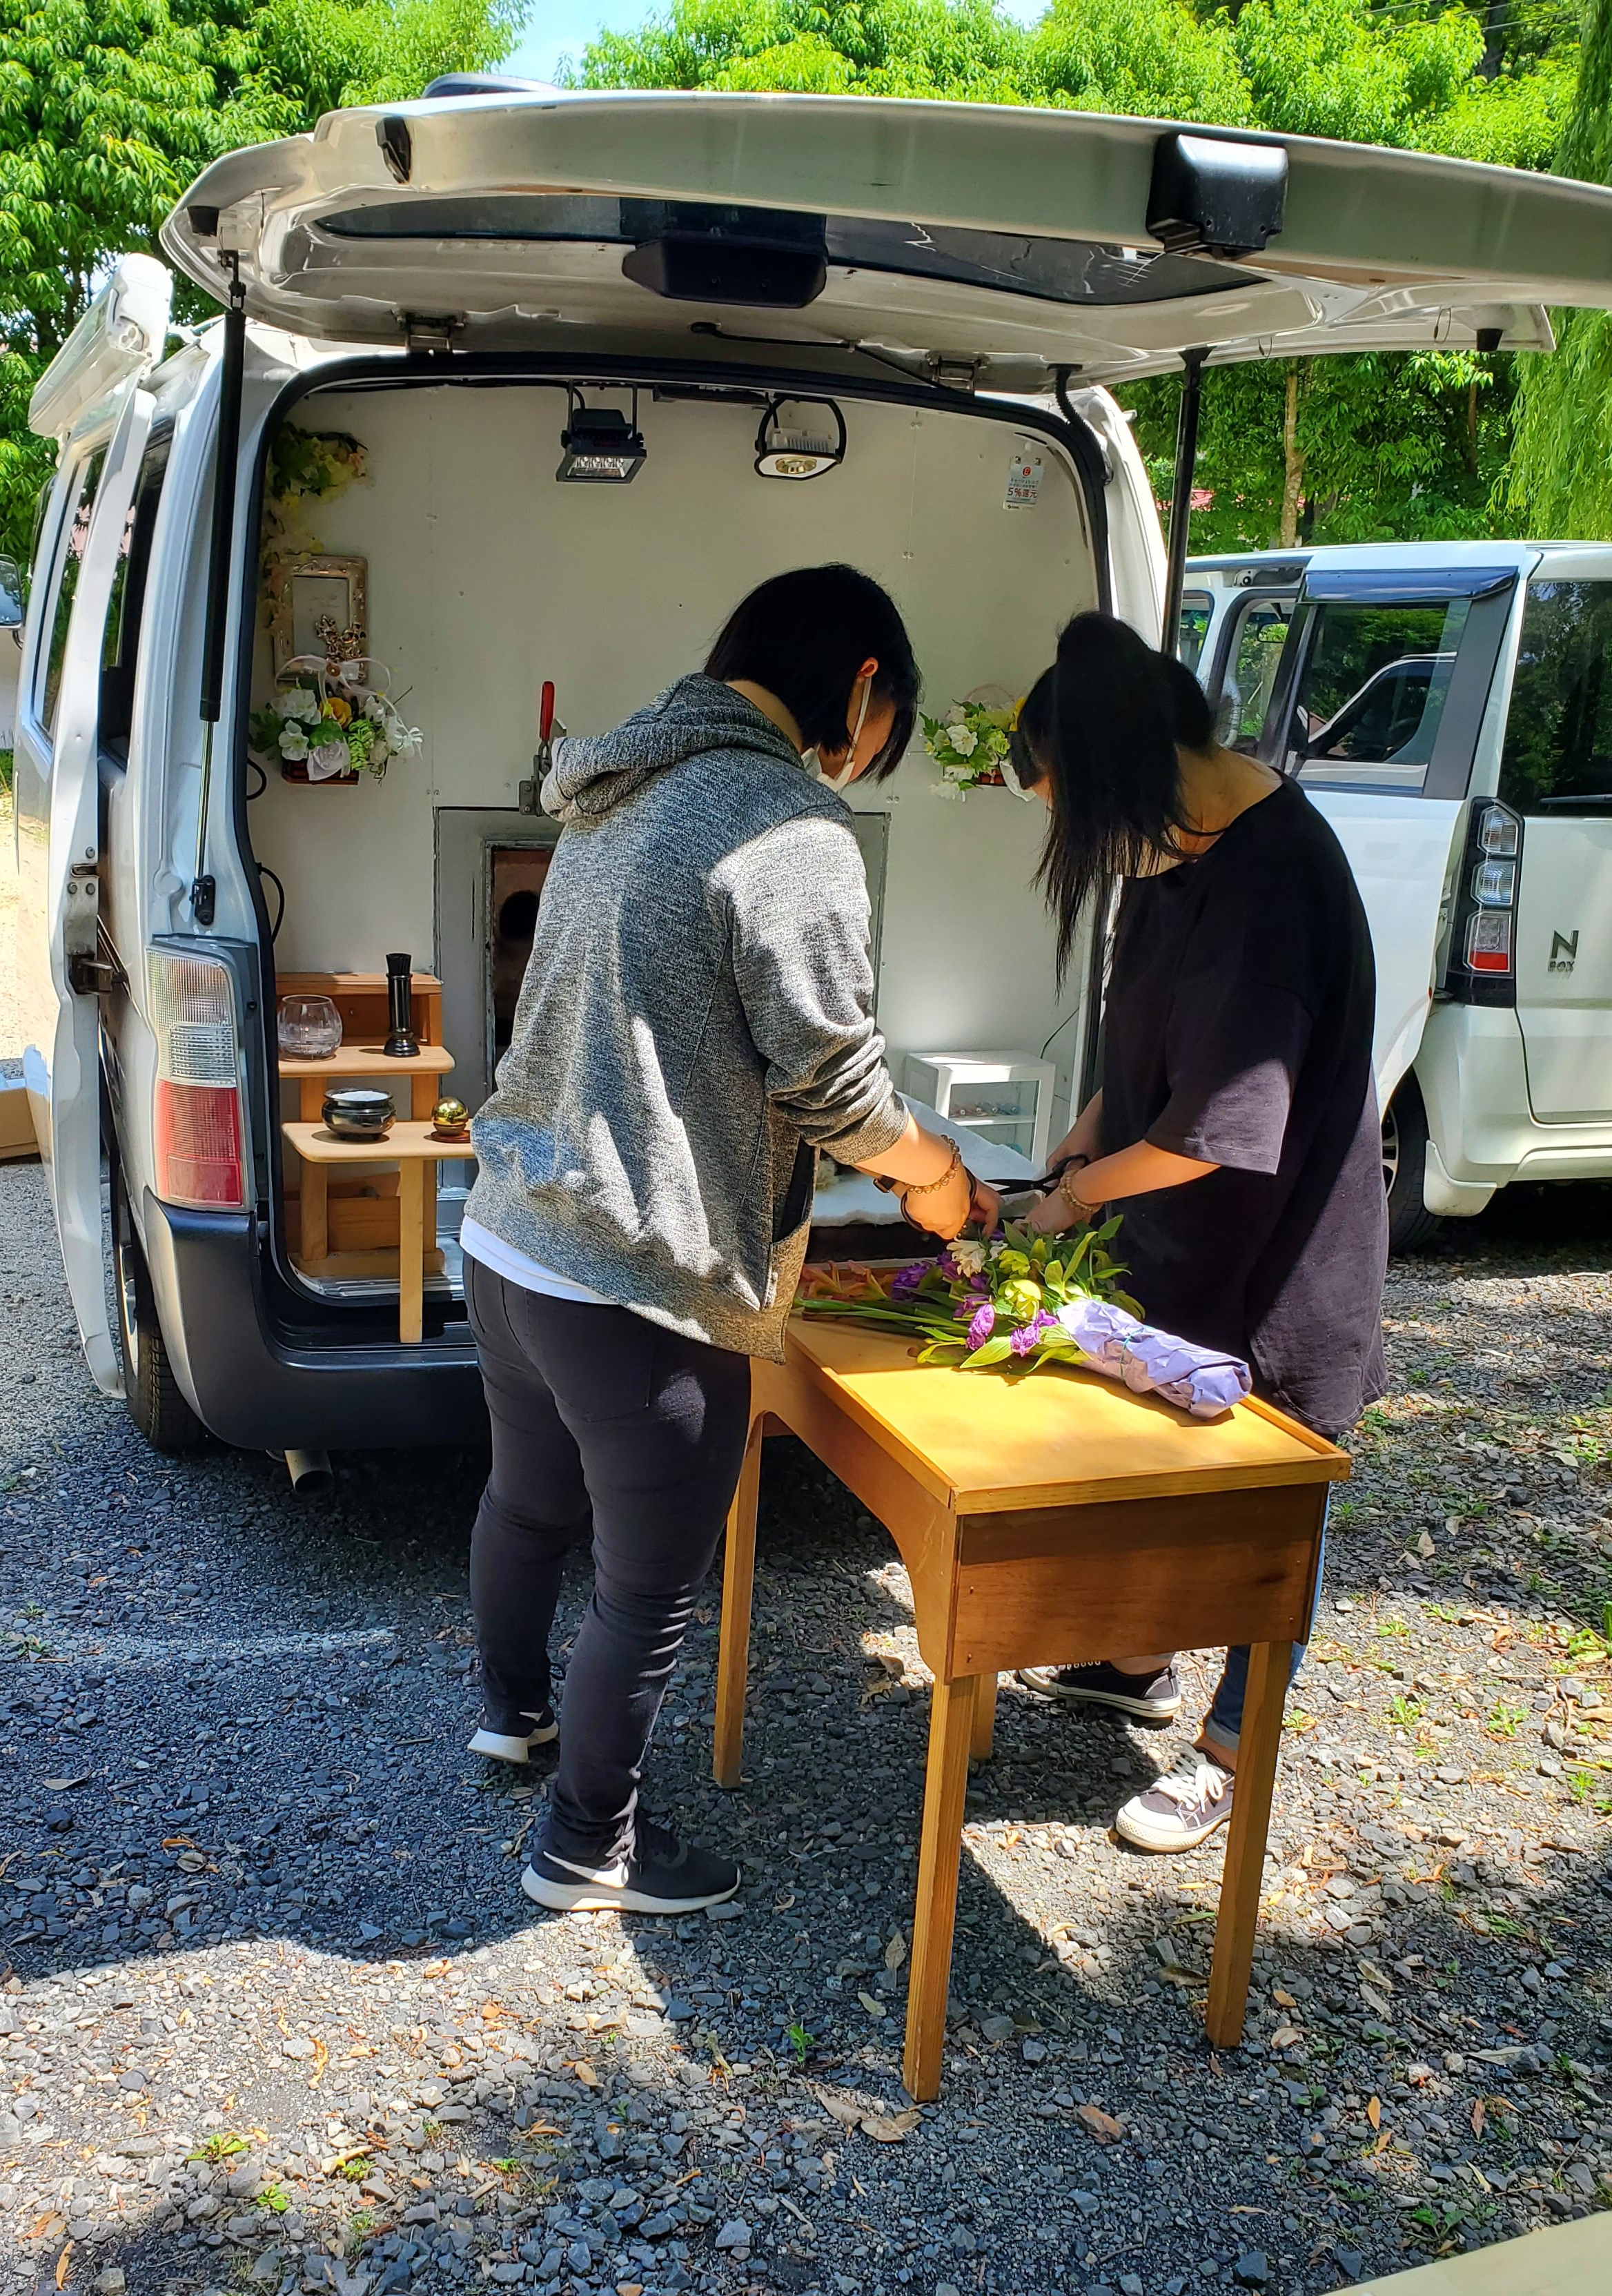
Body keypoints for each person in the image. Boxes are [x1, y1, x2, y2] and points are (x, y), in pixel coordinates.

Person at [460, 565, 998, 1918]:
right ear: (862, 686)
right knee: (647, 1587)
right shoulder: (788, 822)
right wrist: (935, 1174)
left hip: (513, 1236)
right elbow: (832, 1083)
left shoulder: (617, 788)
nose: (866, 755)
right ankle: (586, 1845)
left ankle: (513, 1716)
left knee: (526, 1500)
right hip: (634, 1273)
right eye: (887, 723)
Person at [1009, 611, 1387, 1853]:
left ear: (1128, 767)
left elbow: (1214, 1129)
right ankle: (1134, 1663)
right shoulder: (1176, 848)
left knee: (1267, 1518)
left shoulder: (1272, 883)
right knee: (1157, 1473)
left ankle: (1233, 1749)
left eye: (1075, 809)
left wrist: (1074, 1200)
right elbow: (1146, 1054)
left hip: (1279, 1258)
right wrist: (1078, 1139)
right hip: (1179, 1242)